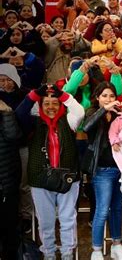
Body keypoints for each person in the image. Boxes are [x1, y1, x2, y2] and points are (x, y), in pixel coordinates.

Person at [15, 84, 85, 260]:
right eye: (46, 103)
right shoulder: (33, 122)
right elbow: (19, 113)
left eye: (55, 103)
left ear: (61, 104)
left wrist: (62, 94)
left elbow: (79, 111)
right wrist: (34, 94)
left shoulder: (68, 120)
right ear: (40, 106)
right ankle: (49, 253)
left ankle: (68, 253)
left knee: (67, 218)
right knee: (45, 221)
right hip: (40, 179)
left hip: (68, 178)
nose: (51, 107)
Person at [82, 82, 122, 260]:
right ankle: (96, 249)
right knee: (102, 210)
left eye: (111, 96)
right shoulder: (92, 113)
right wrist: (104, 109)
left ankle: (117, 245)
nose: (109, 99)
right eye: (104, 96)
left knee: (117, 209)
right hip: (102, 170)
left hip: (120, 169)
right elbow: (86, 127)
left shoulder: (120, 114)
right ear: (97, 98)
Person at [0, 99, 23, 259]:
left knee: (9, 229)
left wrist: (7, 113)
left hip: (6, 184)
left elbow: (15, 136)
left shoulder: (6, 116)